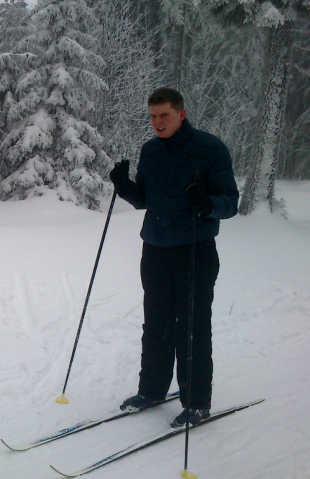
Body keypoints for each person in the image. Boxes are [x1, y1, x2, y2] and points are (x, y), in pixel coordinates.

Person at [109, 87, 239, 427]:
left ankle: (196, 403)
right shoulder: (150, 151)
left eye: (163, 115)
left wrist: (208, 203)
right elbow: (145, 198)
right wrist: (124, 186)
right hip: (154, 248)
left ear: (181, 114)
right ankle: (152, 390)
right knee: (156, 323)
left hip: (194, 249)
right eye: (152, 117)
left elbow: (230, 201)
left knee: (192, 328)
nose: (157, 123)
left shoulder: (210, 149)